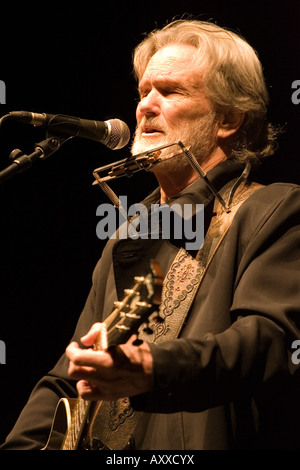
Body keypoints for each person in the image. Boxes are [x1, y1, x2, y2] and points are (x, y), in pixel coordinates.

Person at [1, 18, 300, 451]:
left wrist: (153, 370)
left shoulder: (274, 209)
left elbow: (268, 344)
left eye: (171, 91)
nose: (144, 107)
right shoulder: (129, 232)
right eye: (143, 92)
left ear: (230, 118)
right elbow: (70, 375)